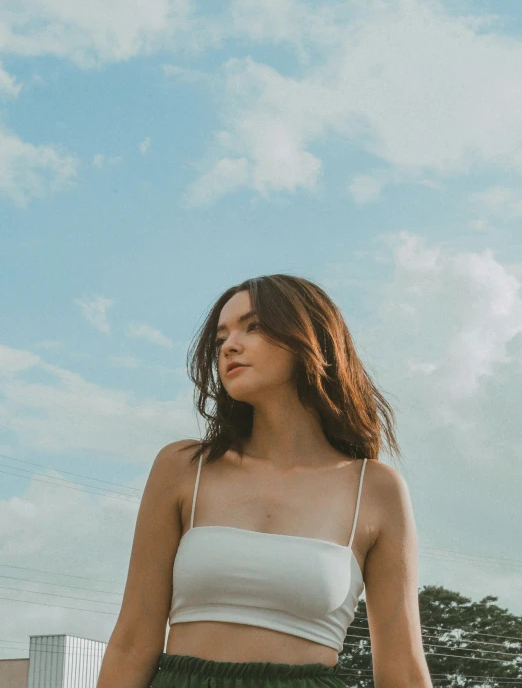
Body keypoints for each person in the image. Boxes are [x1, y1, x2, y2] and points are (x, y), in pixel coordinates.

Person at [96, 275, 432, 688]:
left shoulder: (376, 488)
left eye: (253, 326)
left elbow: (403, 670)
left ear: (311, 339)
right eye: (222, 335)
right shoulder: (184, 467)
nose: (230, 345)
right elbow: (132, 642)